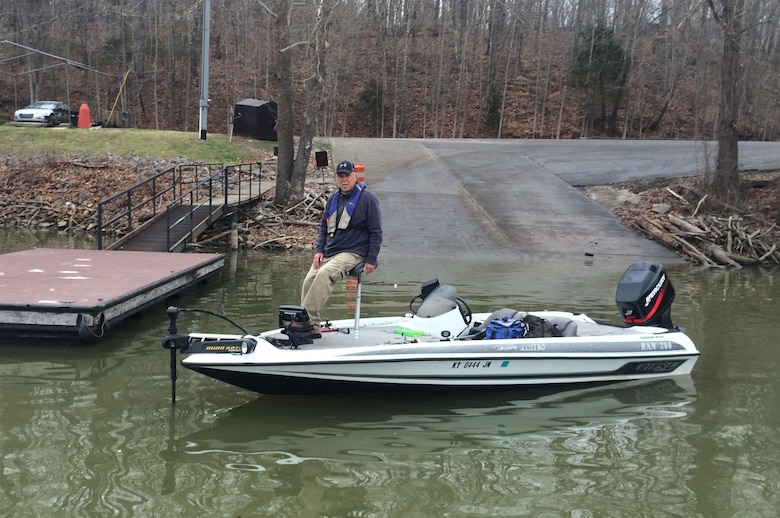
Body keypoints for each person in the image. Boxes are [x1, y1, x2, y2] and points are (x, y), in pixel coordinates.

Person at [300, 160, 383, 337]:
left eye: (347, 175)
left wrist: (371, 259)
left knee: (325, 274)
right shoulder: (333, 198)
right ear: (337, 178)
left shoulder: (368, 199)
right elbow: (323, 226)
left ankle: (304, 320)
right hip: (331, 251)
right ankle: (312, 327)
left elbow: (376, 231)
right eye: (341, 176)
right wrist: (319, 250)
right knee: (309, 279)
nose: (344, 179)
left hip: (354, 252)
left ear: (354, 176)